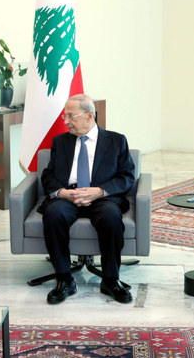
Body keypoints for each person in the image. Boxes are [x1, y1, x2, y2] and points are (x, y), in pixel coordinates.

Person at [38, 94, 136, 304]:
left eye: (71, 116)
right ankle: (64, 280)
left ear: (89, 115)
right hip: (68, 195)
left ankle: (110, 280)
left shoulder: (116, 141)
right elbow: (48, 175)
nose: (65, 121)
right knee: (53, 214)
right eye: (65, 116)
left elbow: (127, 176)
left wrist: (100, 191)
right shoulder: (60, 142)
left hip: (102, 196)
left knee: (110, 217)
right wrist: (62, 193)